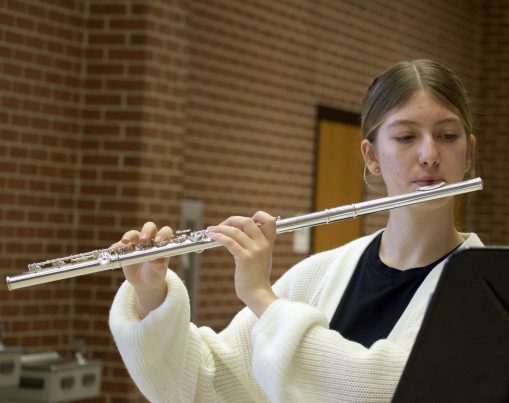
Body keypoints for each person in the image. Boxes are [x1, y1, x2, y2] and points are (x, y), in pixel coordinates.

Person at [109, 59, 482, 402]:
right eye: (406, 137)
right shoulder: (318, 275)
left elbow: (390, 389)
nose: (430, 154)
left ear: (468, 154)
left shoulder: (486, 288)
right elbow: (208, 385)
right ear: (371, 157)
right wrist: (151, 296)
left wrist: (261, 298)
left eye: (448, 136)